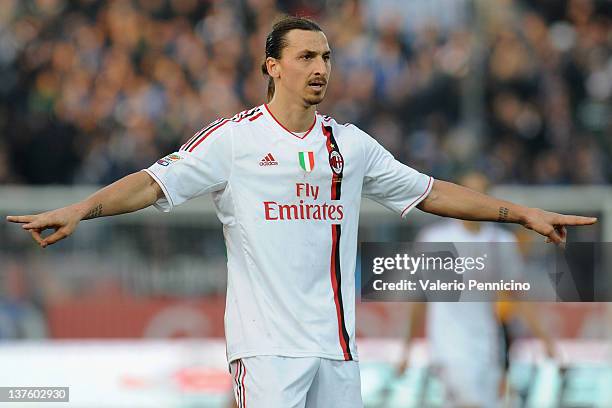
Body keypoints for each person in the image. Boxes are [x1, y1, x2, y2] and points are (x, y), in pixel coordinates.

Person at [6, 16, 596, 408]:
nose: (321, 68)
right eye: (307, 56)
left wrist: (520, 214)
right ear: (273, 66)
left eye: (327, 57)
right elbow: (154, 184)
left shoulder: (351, 144)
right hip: (266, 351)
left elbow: (431, 191)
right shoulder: (233, 141)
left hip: (338, 350)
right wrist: (84, 208)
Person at [397, 171, 556, 408]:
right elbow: (419, 296)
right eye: (469, 192)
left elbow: (516, 295)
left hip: (488, 346)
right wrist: (406, 348)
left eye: (480, 193)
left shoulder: (502, 243)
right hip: (449, 344)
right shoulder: (435, 239)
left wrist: (546, 341)